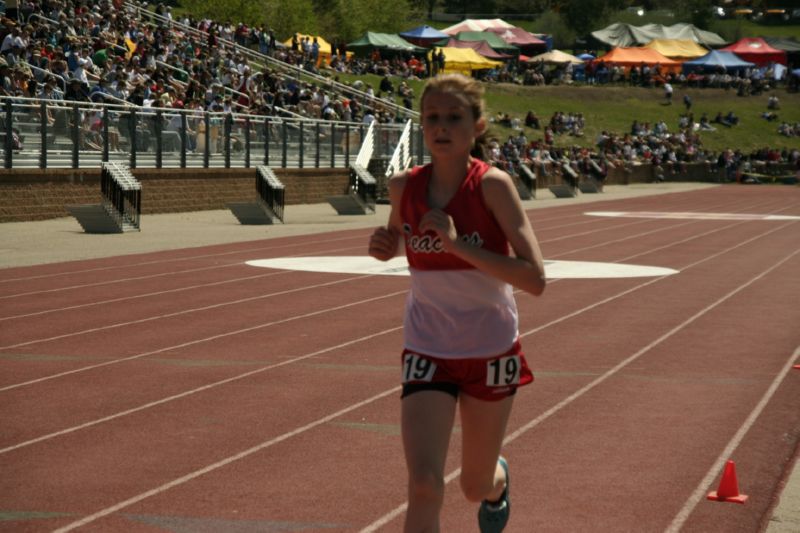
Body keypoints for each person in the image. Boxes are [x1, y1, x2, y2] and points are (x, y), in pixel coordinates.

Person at [367, 73, 546, 532]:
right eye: (432, 118)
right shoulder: (403, 187)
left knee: (473, 486)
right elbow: (399, 237)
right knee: (424, 484)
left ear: (477, 127)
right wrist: (387, 245)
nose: (441, 127)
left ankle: (498, 483)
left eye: (453, 117)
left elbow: (534, 278)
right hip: (428, 348)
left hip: (490, 349)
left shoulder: (493, 187)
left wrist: (457, 245)